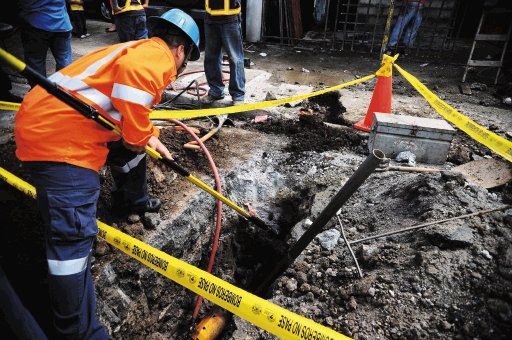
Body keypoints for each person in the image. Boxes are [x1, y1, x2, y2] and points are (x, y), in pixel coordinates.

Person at [14, 8, 200, 339]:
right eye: (183, 63)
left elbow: (123, 112)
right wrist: (141, 136)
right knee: (71, 239)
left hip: (48, 119)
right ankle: (79, 331)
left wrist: (148, 135)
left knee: (133, 146)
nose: (178, 70)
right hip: (60, 139)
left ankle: (132, 202)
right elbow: (134, 85)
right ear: (181, 51)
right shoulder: (156, 57)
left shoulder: (135, 47)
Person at [19, 0, 72, 84]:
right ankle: (63, 91)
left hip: (36, 23)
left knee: (36, 63)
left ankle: (39, 92)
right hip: (62, 23)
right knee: (65, 61)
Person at [203, 0, 246, 106]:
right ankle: (216, 91)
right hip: (211, 17)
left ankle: (238, 95)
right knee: (211, 57)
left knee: (235, 58)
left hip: (230, 18)